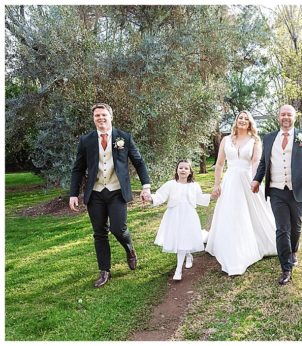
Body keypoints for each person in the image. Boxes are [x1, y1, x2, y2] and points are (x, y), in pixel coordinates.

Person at [69, 103, 153, 288]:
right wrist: (73, 194)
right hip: (96, 193)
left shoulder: (124, 138)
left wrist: (146, 186)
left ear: (111, 116)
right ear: (94, 119)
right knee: (99, 233)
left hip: (117, 192)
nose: (100, 118)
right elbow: (78, 169)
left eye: (103, 115)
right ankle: (104, 271)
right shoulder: (86, 140)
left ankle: (129, 249)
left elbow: (139, 162)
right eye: (97, 115)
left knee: (118, 228)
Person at [252, 105, 302, 285]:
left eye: (289, 114)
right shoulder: (268, 139)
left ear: (294, 117)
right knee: (282, 228)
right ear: (278, 117)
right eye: (283, 114)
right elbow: (263, 163)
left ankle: (293, 250)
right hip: (276, 191)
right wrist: (257, 180)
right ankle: (286, 268)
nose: (286, 117)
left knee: (296, 226)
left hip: (297, 189)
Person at [206, 111, 278, 275]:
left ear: (250, 123)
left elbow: (255, 163)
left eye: (246, 119)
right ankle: (229, 247)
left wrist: (255, 181)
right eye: (240, 118)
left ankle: (251, 244)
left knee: (248, 212)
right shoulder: (226, 140)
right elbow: (219, 165)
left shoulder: (255, 141)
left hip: (246, 179)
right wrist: (217, 184)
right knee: (230, 213)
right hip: (230, 181)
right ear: (236, 121)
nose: (243, 121)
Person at [150, 160, 211, 281]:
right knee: (179, 239)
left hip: (189, 215)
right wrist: (151, 198)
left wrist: (212, 196)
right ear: (177, 170)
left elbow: (200, 198)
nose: (183, 170)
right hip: (174, 215)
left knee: (184, 238)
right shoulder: (170, 184)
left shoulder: (194, 185)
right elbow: (160, 196)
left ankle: (178, 270)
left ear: (190, 172)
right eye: (180, 168)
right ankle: (188, 255)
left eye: (186, 168)